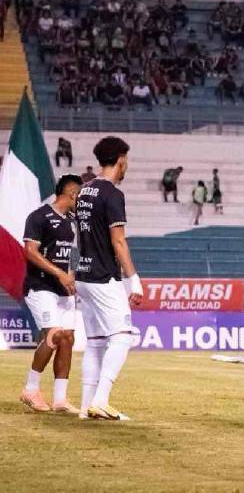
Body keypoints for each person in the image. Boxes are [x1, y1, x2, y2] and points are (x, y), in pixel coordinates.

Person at [75, 136, 142, 420]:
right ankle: (100, 400)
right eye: (126, 160)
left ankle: (86, 407)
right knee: (123, 336)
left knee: (96, 341)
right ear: (120, 159)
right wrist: (133, 279)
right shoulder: (112, 194)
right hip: (103, 276)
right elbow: (118, 242)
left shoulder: (84, 191)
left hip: (83, 274)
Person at [19, 174, 83, 413]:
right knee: (54, 334)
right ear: (72, 193)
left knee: (67, 338)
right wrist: (59, 273)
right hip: (40, 286)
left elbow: (67, 255)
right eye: (81, 196)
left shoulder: (70, 222)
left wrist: (71, 274)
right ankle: (31, 389)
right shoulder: (39, 216)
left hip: (62, 290)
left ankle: (60, 399)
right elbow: (30, 252)